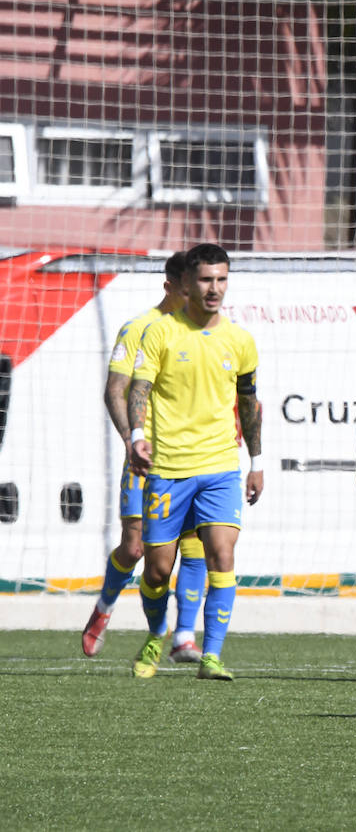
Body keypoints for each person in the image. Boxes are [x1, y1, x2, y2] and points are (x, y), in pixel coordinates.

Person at [126, 243, 263, 680]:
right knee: (158, 569)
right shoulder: (161, 333)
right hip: (168, 468)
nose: (214, 289)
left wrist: (257, 460)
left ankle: (212, 655)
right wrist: (136, 437)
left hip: (220, 465)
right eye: (206, 280)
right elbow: (138, 391)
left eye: (221, 280)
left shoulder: (240, 341)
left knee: (222, 554)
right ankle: (155, 633)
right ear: (188, 283)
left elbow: (249, 404)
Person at [81, 252, 209, 662]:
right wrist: (130, 439)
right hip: (147, 458)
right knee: (135, 548)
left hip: (191, 458)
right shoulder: (139, 329)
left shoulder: (206, 332)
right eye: (188, 289)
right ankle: (103, 608)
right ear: (171, 287)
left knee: (192, 547)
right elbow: (114, 390)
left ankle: (182, 637)